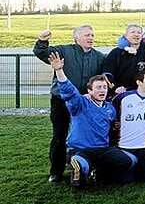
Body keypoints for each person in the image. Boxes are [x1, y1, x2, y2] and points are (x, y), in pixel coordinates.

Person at [47, 52, 134, 188]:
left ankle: (97, 171)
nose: (103, 90)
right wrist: (59, 70)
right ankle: (79, 170)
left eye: (105, 87)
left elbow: (112, 126)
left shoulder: (110, 108)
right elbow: (69, 91)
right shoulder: (80, 104)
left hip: (102, 149)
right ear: (90, 91)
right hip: (81, 149)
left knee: (130, 161)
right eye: (98, 87)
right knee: (80, 175)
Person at [33, 25, 105, 183]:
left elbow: (107, 74)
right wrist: (42, 41)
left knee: (86, 135)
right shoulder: (64, 51)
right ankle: (56, 171)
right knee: (60, 135)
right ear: (76, 38)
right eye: (87, 35)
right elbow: (41, 52)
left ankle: (83, 167)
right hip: (61, 101)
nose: (91, 38)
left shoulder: (99, 57)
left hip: (85, 103)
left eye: (92, 35)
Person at [111, 71, 145, 183]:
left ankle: (140, 167)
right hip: (124, 148)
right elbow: (109, 109)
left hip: (143, 148)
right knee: (125, 180)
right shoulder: (123, 97)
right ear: (139, 82)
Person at [103, 24, 145, 94]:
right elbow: (107, 74)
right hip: (120, 92)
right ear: (126, 36)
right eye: (132, 32)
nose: (136, 35)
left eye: (139, 33)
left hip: (142, 91)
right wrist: (116, 88)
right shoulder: (116, 53)